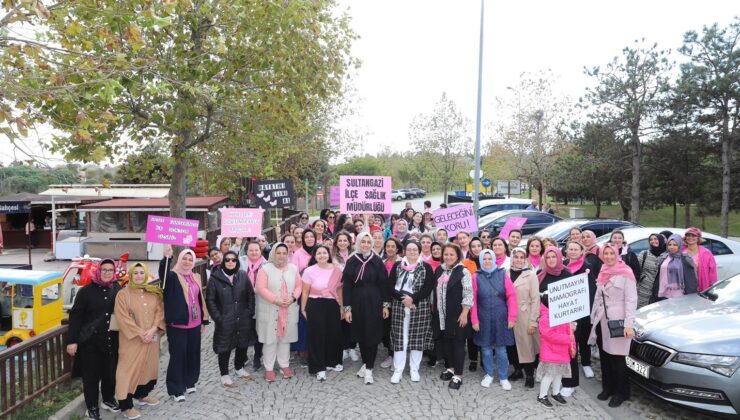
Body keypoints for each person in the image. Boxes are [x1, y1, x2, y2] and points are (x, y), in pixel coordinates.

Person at [67, 259, 122, 419]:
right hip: (90, 343)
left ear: (114, 272)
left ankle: (108, 399)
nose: (106, 273)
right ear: (98, 271)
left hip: (111, 341)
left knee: (110, 374)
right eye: (104, 270)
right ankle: (91, 407)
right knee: (90, 377)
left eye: (110, 270)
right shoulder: (85, 291)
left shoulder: (117, 289)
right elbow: (76, 317)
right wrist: (72, 341)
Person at [588, 243, 637, 408]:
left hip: (619, 323)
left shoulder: (626, 273)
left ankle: (621, 392)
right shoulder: (603, 270)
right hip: (603, 321)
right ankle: (607, 387)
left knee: (618, 359)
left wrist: (629, 325)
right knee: (605, 357)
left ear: (617, 254)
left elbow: (631, 300)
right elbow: (597, 297)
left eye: (611, 254)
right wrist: (593, 317)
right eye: (606, 253)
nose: (608, 257)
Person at [115, 263, 164, 419]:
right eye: (135, 273)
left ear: (146, 274)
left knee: (148, 366)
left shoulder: (153, 293)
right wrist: (139, 333)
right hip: (132, 340)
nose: (138, 275)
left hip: (151, 338)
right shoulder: (123, 295)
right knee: (127, 370)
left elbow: (159, 311)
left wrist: (154, 329)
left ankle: (142, 395)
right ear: (130, 275)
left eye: (141, 272)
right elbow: (122, 317)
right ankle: (126, 405)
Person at [342, 232, 390, 384]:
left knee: (372, 334)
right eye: (363, 242)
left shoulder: (376, 260)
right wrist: (347, 308)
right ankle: (365, 363)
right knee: (361, 334)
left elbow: (384, 284)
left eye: (368, 242)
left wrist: (385, 305)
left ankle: (369, 368)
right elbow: (347, 286)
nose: (366, 245)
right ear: (358, 243)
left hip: (374, 300)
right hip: (357, 301)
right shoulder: (352, 261)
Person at [163, 250, 209, 402]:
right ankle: (176, 388)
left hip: (194, 323)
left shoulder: (195, 276)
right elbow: (163, 274)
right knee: (178, 356)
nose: (187, 261)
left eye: (190, 259)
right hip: (178, 325)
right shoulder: (172, 276)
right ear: (179, 259)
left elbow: (199, 298)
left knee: (193, 353)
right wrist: (166, 257)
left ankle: (190, 381)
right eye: (184, 258)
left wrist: (203, 320)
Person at [205, 251, 256, 388]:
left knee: (242, 344)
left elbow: (250, 295)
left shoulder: (243, 275)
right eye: (227, 260)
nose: (230, 262)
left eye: (233, 260)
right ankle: (224, 375)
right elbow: (210, 301)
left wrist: (249, 312)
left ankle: (239, 368)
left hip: (243, 317)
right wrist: (218, 318)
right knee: (224, 347)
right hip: (225, 319)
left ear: (237, 261)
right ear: (223, 262)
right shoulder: (215, 279)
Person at [388, 241, 435, 384]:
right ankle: (398, 369)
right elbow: (390, 286)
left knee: (417, 337)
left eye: (415, 249)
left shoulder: (425, 267)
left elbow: (428, 288)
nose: (412, 252)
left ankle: (414, 368)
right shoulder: (397, 266)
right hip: (399, 306)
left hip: (419, 307)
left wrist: (413, 299)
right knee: (400, 337)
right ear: (404, 251)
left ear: (419, 251)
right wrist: (404, 299)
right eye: (409, 249)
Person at [255, 243, 303, 381]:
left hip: (288, 309)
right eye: (278, 252)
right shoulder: (265, 269)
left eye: (284, 253)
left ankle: (284, 364)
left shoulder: (293, 268)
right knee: (270, 339)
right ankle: (269, 368)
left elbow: (299, 285)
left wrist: (293, 297)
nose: (281, 256)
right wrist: (275, 300)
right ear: (273, 254)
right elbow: (260, 288)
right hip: (271, 308)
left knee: (285, 338)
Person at [471, 250, 518, 391]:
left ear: (493, 260)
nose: (487, 261)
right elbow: (472, 300)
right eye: (484, 259)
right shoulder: (475, 277)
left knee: (501, 349)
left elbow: (511, 296)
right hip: (483, 316)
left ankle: (503, 377)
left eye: (489, 258)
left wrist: (512, 317)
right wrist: (474, 319)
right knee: (485, 349)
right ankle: (489, 374)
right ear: (480, 260)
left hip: (501, 317)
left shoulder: (502, 274)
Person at [301, 245, 344, 381]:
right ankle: (318, 367)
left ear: (328, 254)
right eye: (318, 253)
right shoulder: (309, 271)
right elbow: (305, 291)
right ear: (314, 256)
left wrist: (342, 307)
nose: (322, 255)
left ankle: (332, 361)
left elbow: (339, 291)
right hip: (315, 304)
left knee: (333, 334)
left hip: (332, 304)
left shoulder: (337, 270)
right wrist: (303, 308)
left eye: (324, 253)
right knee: (316, 335)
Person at [561, 240, 598, 396]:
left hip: (582, 312)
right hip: (565, 313)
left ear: (582, 251)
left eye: (576, 249)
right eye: (571, 249)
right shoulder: (562, 266)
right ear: (567, 251)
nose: (573, 251)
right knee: (569, 344)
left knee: (583, 339)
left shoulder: (587, 267)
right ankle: (569, 373)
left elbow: (592, 291)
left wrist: (589, 312)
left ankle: (586, 363)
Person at [435, 244, 473, 389]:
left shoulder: (463, 271)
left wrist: (465, 313)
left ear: (457, 256)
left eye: (452, 254)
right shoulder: (440, 270)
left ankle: (458, 374)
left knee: (457, 343)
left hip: (457, 314)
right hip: (442, 314)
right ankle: (450, 367)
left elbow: (468, 294)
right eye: (446, 254)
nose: (448, 257)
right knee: (446, 342)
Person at [506, 247, 539, 389]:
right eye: (516, 257)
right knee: (511, 346)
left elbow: (535, 299)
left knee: (526, 346)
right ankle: (518, 370)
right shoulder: (505, 273)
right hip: (508, 315)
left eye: (521, 257)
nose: (518, 260)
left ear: (526, 259)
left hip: (524, 315)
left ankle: (530, 374)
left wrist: (533, 321)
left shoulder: (531, 275)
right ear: (512, 258)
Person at [537, 296, 576, 409]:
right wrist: (568, 339)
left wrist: (572, 345)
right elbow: (548, 334)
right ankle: (542, 396)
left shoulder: (562, 315)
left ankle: (555, 392)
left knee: (558, 374)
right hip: (551, 352)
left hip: (562, 352)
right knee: (549, 375)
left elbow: (569, 331)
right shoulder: (545, 317)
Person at [650, 234, 698, 302]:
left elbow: (691, 280)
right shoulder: (663, 257)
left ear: (680, 245)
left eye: (675, 245)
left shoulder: (685, 259)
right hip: (663, 295)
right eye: (669, 244)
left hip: (680, 297)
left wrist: (690, 297)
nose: (671, 247)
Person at [683, 227, 718, 291]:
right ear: (685, 237)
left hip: (701, 286)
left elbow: (712, 271)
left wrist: (712, 286)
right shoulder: (682, 252)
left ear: (698, 238)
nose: (690, 237)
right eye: (688, 235)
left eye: (693, 235)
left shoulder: (706, 253)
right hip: (685, 286)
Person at [636, 234, 666, 308]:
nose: (653, 241)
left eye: (655, 239)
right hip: (643, 291)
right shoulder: (644, 254)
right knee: (641, 312)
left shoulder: (666, 256)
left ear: (661, 240)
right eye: (651, 240)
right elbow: (636, 271)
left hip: (659, 292)